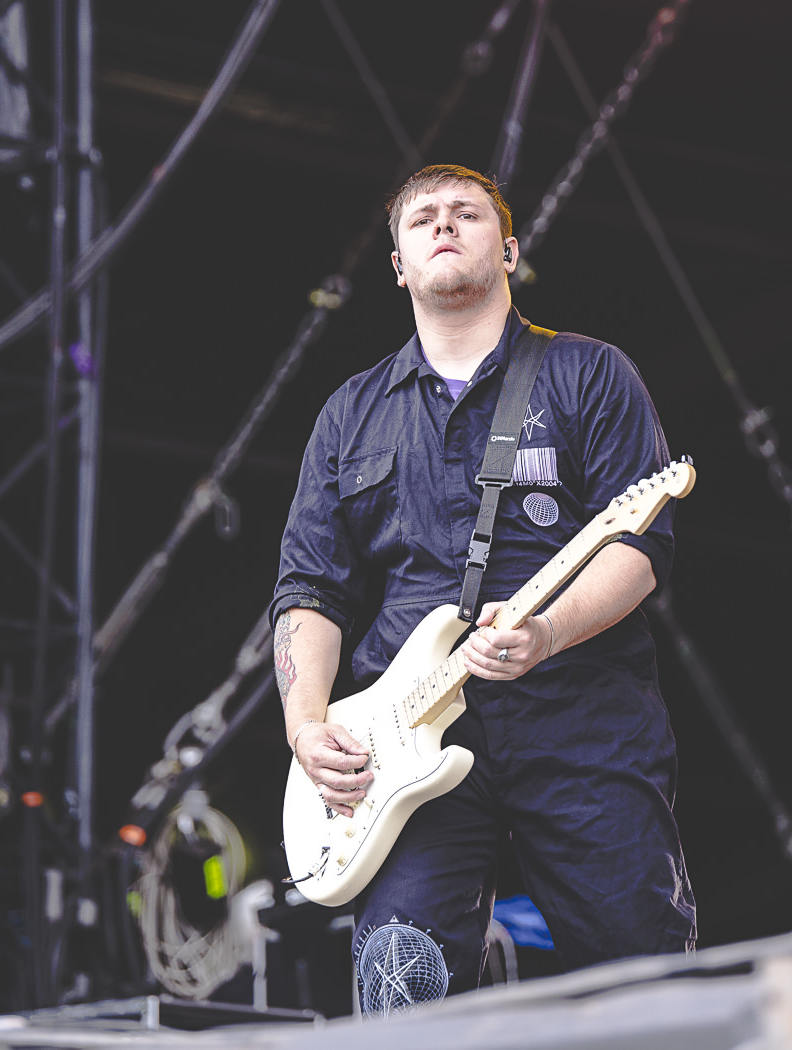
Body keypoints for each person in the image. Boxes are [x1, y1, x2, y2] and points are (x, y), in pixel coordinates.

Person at [271, 164, 696, 991]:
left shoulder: (589, 373)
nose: (442, 224)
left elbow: (638, 548)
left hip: (581, 722)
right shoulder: (351, 413)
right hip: (403, 743)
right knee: (402, 978)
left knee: (639, 980)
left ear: (507, 251)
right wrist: (304, 725)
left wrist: (547, 631)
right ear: (397, 265)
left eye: (465, 213)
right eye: (421, 217)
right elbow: (308, 589)